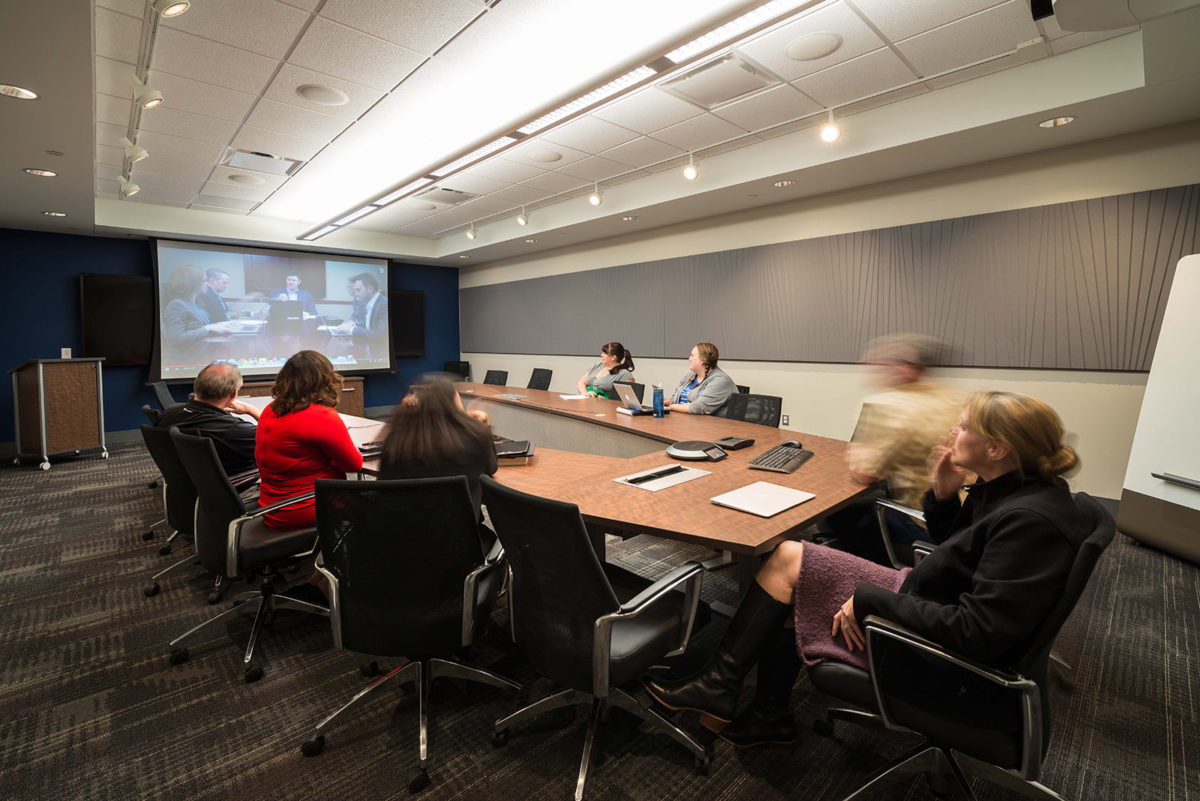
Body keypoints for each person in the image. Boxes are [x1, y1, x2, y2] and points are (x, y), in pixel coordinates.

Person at [644, 391, 1088, 750]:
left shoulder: (1032, 522)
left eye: (965, 425)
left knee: (790, 569)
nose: (954, 430)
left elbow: (978, 632)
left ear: (997, 447)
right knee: (789, 558)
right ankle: (749, 704)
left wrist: (872, 599)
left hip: (949, 667)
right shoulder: (1014, 488)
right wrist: (944, 494)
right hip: (925, 595)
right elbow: (963, 555)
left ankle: (738, 697)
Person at [827, 334, 962, 565]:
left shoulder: (889, 405)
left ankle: (871, 573)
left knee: (838, 510)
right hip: (964, 516)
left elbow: (863, 474)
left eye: (885, 363)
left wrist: (857, 454)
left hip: (927, 522)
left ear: (907, 368)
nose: (877, 369)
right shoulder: (951, 396)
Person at [377, 377, 498, 556]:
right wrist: (481, 427)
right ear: (452, 403)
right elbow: (491, 469)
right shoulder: (474, 438)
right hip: (459, 549)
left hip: (397, 549)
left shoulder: (395, 442)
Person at [254, 350, 363, 532]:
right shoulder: (321, 416)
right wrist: (332, 461)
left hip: (271, 507)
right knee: (378, 503)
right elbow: (354, 465)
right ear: (324, 381)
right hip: (308, 508)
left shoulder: (270, 409)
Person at [157, 361, 259, 475]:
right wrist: (253, 410)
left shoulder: (170, 412)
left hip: (191, 480)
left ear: (197, 386)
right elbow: (278, 441)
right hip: (238, 485)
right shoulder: (235, 430)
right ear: (234, 394)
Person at [161, 264, 240, 363]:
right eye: (204, 281)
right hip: (187, 360)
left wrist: (219, 326)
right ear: (192, 284)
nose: (207, 284)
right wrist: (207, 328)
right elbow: (175, 339)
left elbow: (198, 328)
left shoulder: (195, 303)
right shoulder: (177, 305)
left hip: (199, 354)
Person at [666, 342, 737, 415]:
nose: (689, 359)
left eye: (692, 355)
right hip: (683, 419)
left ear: (703, 360)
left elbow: (698, 408)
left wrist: (670, 406)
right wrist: (668, 402)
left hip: (711, 424)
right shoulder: (690, 376)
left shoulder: (720, 380)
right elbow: (676, 399)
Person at [334, 272, 388, 342]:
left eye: (358, 290)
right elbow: (369, 324)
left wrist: (351, 329)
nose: (355, 293)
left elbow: (380, 335)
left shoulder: (384, 304)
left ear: (370, 289)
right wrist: (354, 324)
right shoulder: (370, 302)